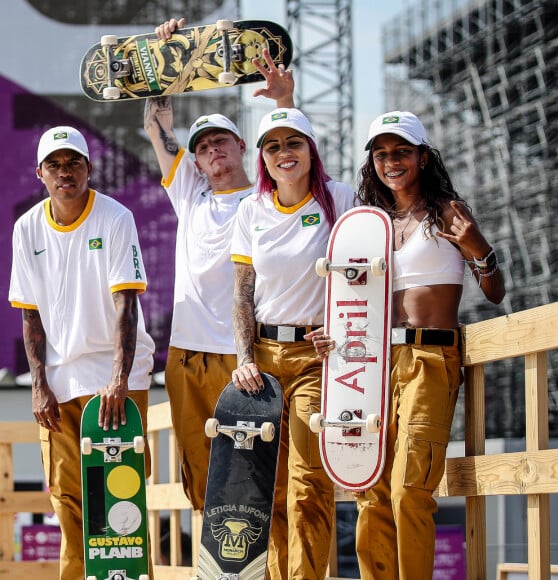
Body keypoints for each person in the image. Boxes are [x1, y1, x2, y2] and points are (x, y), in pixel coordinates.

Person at [311, 111, 506, 579]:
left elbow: (496, 292)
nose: (391, 161)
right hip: (372, 362)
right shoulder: (369, 225)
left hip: (429, 358)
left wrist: (480, 249)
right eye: (381, 154)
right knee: (369, 488)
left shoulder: (448, 212)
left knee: (408, 489)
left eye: (401, 151)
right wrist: (332, 335)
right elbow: (357, 302)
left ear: (422, 156)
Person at [143, 18, 296, 514]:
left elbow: (295, 152)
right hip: (186, 356)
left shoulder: (265, 198)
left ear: (242, 148)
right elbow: (156, 127)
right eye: (203, 146)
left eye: (220, 142)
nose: (211, 150)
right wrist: (164, 62)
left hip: (243, 356)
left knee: (257, 476)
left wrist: (282, 102)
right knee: (200, 472)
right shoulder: (190, 194)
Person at [8, 126, 156, 579]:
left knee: (121, 499)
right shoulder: (27, 227)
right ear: (39, 173)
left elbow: (125, 303)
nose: (64, 172)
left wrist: (118, 380)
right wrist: (38, 385)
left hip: (116, 379)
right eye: (54, 164)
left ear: (89, 168)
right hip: (59, 380)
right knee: (67, 499)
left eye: (73, 163)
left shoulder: (115, 217)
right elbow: (30, 316)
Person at [230, 107, 355, 579]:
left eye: (294, 143)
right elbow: (243, 291)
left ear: (310, 149)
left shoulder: (338, 198)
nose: (285, 153)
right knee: (270, 488)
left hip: (315, 359)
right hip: (262, 359)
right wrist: (244, 358)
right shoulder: (251, 209)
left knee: (308, 485)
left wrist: (343, 325)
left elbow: (363, 271)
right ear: (262, 156)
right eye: (273, 145)